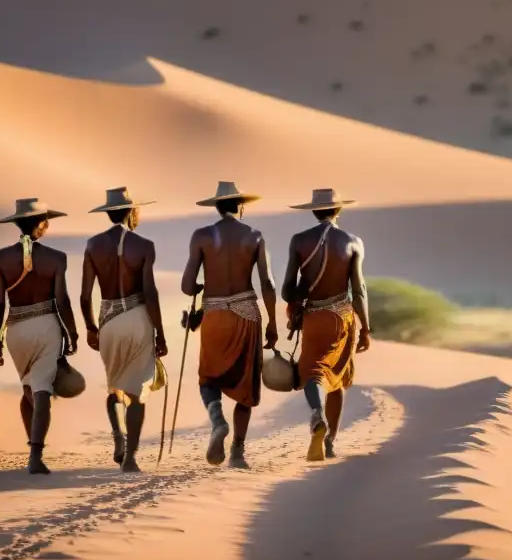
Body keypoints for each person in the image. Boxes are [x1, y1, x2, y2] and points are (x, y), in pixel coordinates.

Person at [181, 181, 277, 469]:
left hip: (214, 314)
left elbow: (187, 286)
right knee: (246, 385)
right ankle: (237, 451)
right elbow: (267, 282)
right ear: (241, 206)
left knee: (208, 378)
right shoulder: (255, 236)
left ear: (217, 207)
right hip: (247, 313)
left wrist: (200, 285)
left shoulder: (201, 236)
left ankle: (217, 419)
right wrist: (272, 322)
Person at [0, 198, 79, 475]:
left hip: (16, 329)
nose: (48, 226)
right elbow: (62, 299)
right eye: (46, 222)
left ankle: (33, 451)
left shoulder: (0, 258)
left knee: (28, 389)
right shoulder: (57, 258)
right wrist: (72, 332)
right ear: (40, 225)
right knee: (42, 392)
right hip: (47, 326)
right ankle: (35, 456)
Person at [81, 187, 168, 472]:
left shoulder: (93, 246)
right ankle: (130, 458)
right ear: (131, 212)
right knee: (137, 392)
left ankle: (118, 433)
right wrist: (161, 334)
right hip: (138, 318)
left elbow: (84, 296)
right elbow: (150, 293)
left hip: (108, 321)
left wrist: (91, 328)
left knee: (114, 384)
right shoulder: (144, 245)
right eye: (138, 210)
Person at [282, 189, 371, 462]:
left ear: (313, 211)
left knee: (314, 374)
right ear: (339, 210)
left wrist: (299, 296)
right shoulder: (353, 242)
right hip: (342, 318)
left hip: (313, 317)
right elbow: (359, 290)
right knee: (338, 379)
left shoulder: (299, 241)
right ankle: (329, 440)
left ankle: (316, 415)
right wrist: (366, 328)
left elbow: (287, 290)